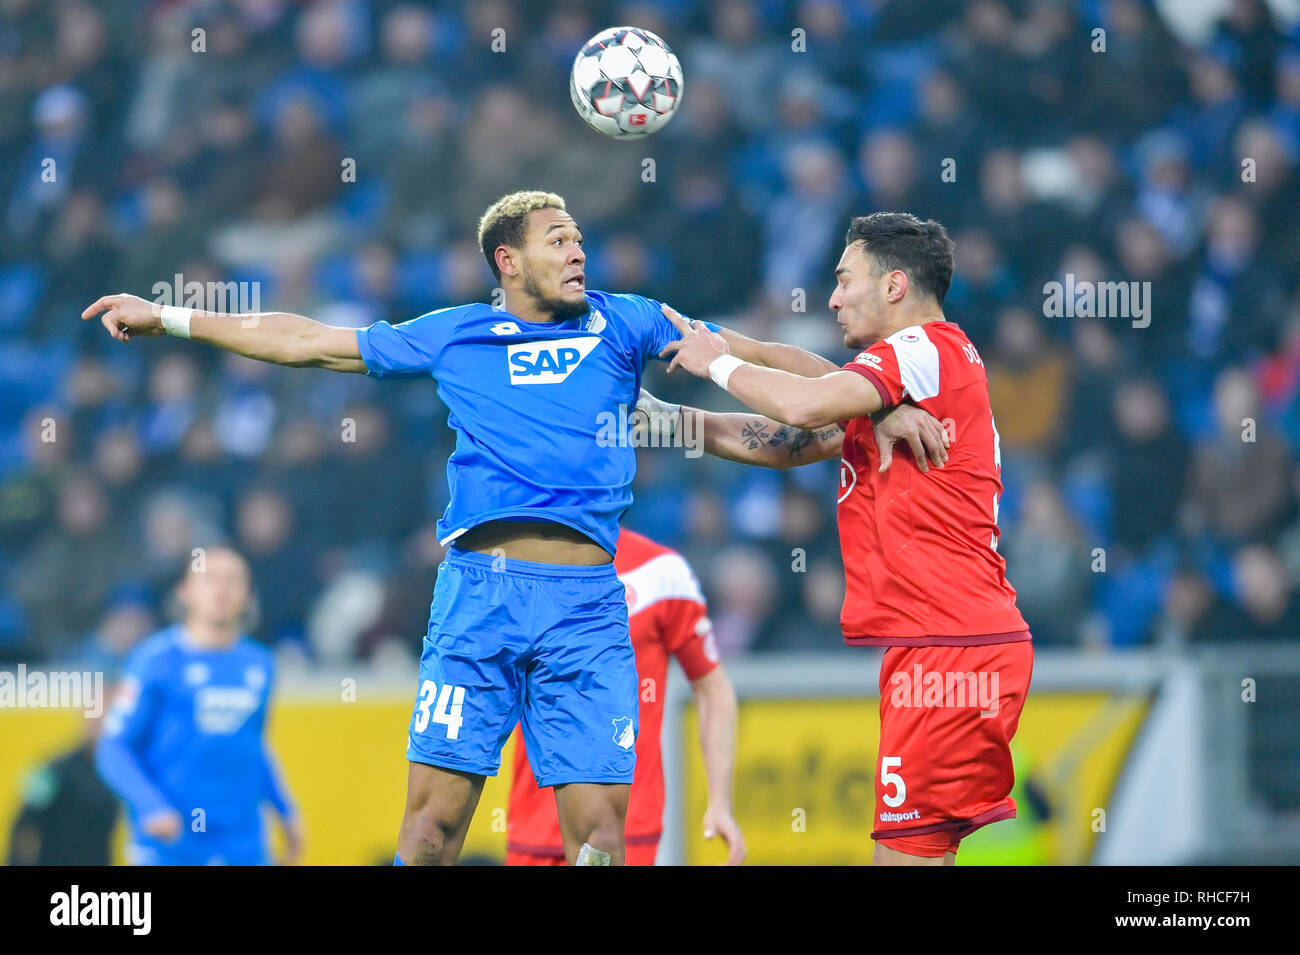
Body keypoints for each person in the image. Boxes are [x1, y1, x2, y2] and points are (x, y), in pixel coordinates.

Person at [641, 211, 1033, 866]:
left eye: (844, 280)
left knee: (902, 861)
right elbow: (791, 441)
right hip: (945, 642)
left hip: (950, 645)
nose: (831, 298)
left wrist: (715, 365)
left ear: (895, 285)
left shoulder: (920, 352)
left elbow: (802, 404)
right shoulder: (913, 375)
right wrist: (680, 404)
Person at [506, 527, 745, 866]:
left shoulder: (661, 572)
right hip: (534, 825)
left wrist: (721, 802)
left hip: (625, 826)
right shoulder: (518, 560)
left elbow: (713, 688)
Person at [95, 546, 302, 865]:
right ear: (184, 591)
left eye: (233, 580)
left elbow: (251, 746)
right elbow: (113, 747)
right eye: (210, 579)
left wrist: (285, 811)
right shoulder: (155, 661)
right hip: (172, 847)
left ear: (248, 595)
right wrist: (152, 806)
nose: (221, 589)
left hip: (243, 846)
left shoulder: (261, 665)